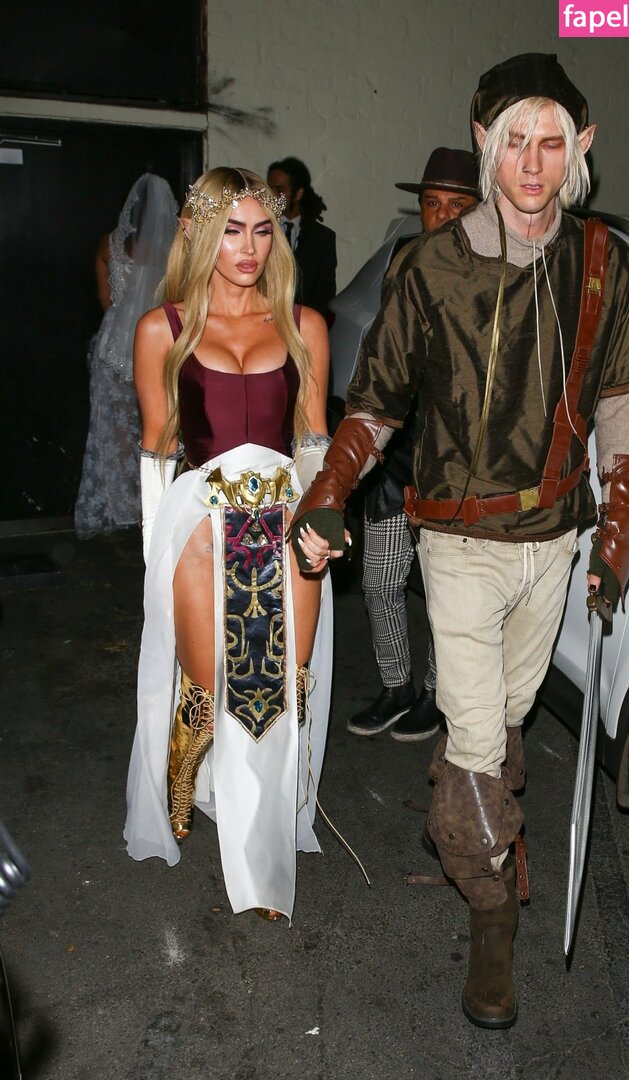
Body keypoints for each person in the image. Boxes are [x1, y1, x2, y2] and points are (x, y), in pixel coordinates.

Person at [289, 54, 629, 1026]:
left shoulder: (601, 262)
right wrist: (328, 493)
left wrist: (618, 516)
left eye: (550, 142)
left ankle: (472, 811)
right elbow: (375, 403)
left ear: (579, 147)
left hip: (555, 540)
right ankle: (490, 913)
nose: (531, 164)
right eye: (514, 142)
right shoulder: (429, 267)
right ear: (487, 144)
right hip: (455, 543)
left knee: (502, 722)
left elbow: (621, 396)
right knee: (480, 737)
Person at [123, 167, 337, 922]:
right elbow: (157, 451)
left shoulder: (304, 325)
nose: (248, 248)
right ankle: (187, 777)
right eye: (231, 231)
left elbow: (314, 442)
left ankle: (264, 855)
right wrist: (156, 557)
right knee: (211, 686)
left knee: (283, 689)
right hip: (198, 523)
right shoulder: (163, 329)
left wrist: (322, 518)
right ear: (198, 235)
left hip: (285, 517)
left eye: (262, 230)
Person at [348, 148, 479, 742]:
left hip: (456, 460)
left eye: (458, 205)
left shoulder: (496, 273)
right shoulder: (404, 259)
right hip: (398, 447)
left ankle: (435, 693)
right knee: (380, 580)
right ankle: (396, 684)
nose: (443, 216)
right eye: (432, 204)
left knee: (445, 593)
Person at [75, 173, 178, 538]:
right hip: (158, 341)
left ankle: (122, 505)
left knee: (115, 428)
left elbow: (104, 298)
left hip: (114, 341)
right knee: (158, 424)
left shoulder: (109, 244)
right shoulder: (172, 250)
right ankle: (155, 503)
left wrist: (121, 325)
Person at [267, 157, 337, 319]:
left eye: (279, 190)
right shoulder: (261, 230)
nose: (272, 195)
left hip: (305, 323)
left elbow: (324, 293)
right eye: (269, 189)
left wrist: (305, 322)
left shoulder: (322, 238)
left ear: (298, 194)